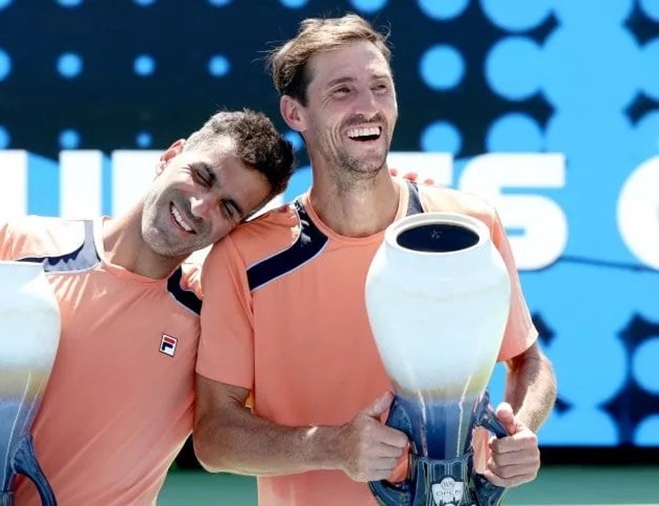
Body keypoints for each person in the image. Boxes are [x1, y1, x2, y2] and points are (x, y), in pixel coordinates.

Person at [191, 13, 558, 506]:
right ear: (295, 113)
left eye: (380, 87)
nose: (368, 107)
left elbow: (529, 361)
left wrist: (521, 430)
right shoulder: (243, 258)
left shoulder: (469, 225)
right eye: (342, 91)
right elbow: (214, 436)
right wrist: (332, 446)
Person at [0, 109, 297, 506]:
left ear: (235, 229)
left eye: (228, 208)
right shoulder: (22, 246)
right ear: (170, 156)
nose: (200, 207)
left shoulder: (213, 317)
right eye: (202, 176)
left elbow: (240, 429)